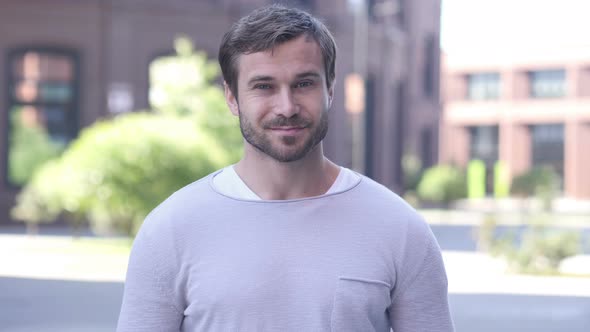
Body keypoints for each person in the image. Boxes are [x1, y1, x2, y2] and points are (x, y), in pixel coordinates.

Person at [117, 5, 454, 332]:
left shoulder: (399, 227)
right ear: (232, 97)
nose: (287, 106)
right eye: (264, 86)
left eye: (304, 83)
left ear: (330, 89)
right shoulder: (171, 229)